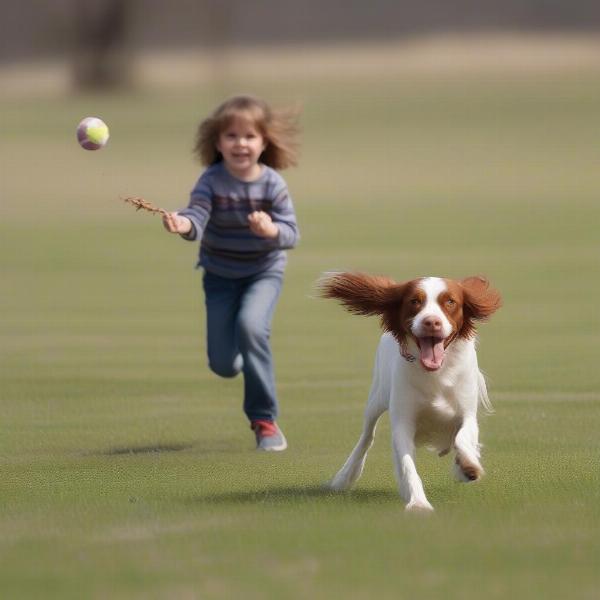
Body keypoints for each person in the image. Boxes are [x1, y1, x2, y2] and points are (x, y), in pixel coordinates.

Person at [162, 95, 300, 451]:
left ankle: (265, 421)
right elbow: (197, 217)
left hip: (263, 272)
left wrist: (271, 230)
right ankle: (243, 356)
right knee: (223, 364)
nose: (241, 143)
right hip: (220, 275)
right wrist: (182, 224)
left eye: (249, 136)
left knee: (252, 327)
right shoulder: (210, 181)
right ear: (218, 143)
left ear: (264, 142)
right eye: (231, 136)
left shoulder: (272, 185)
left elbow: (291, 234)